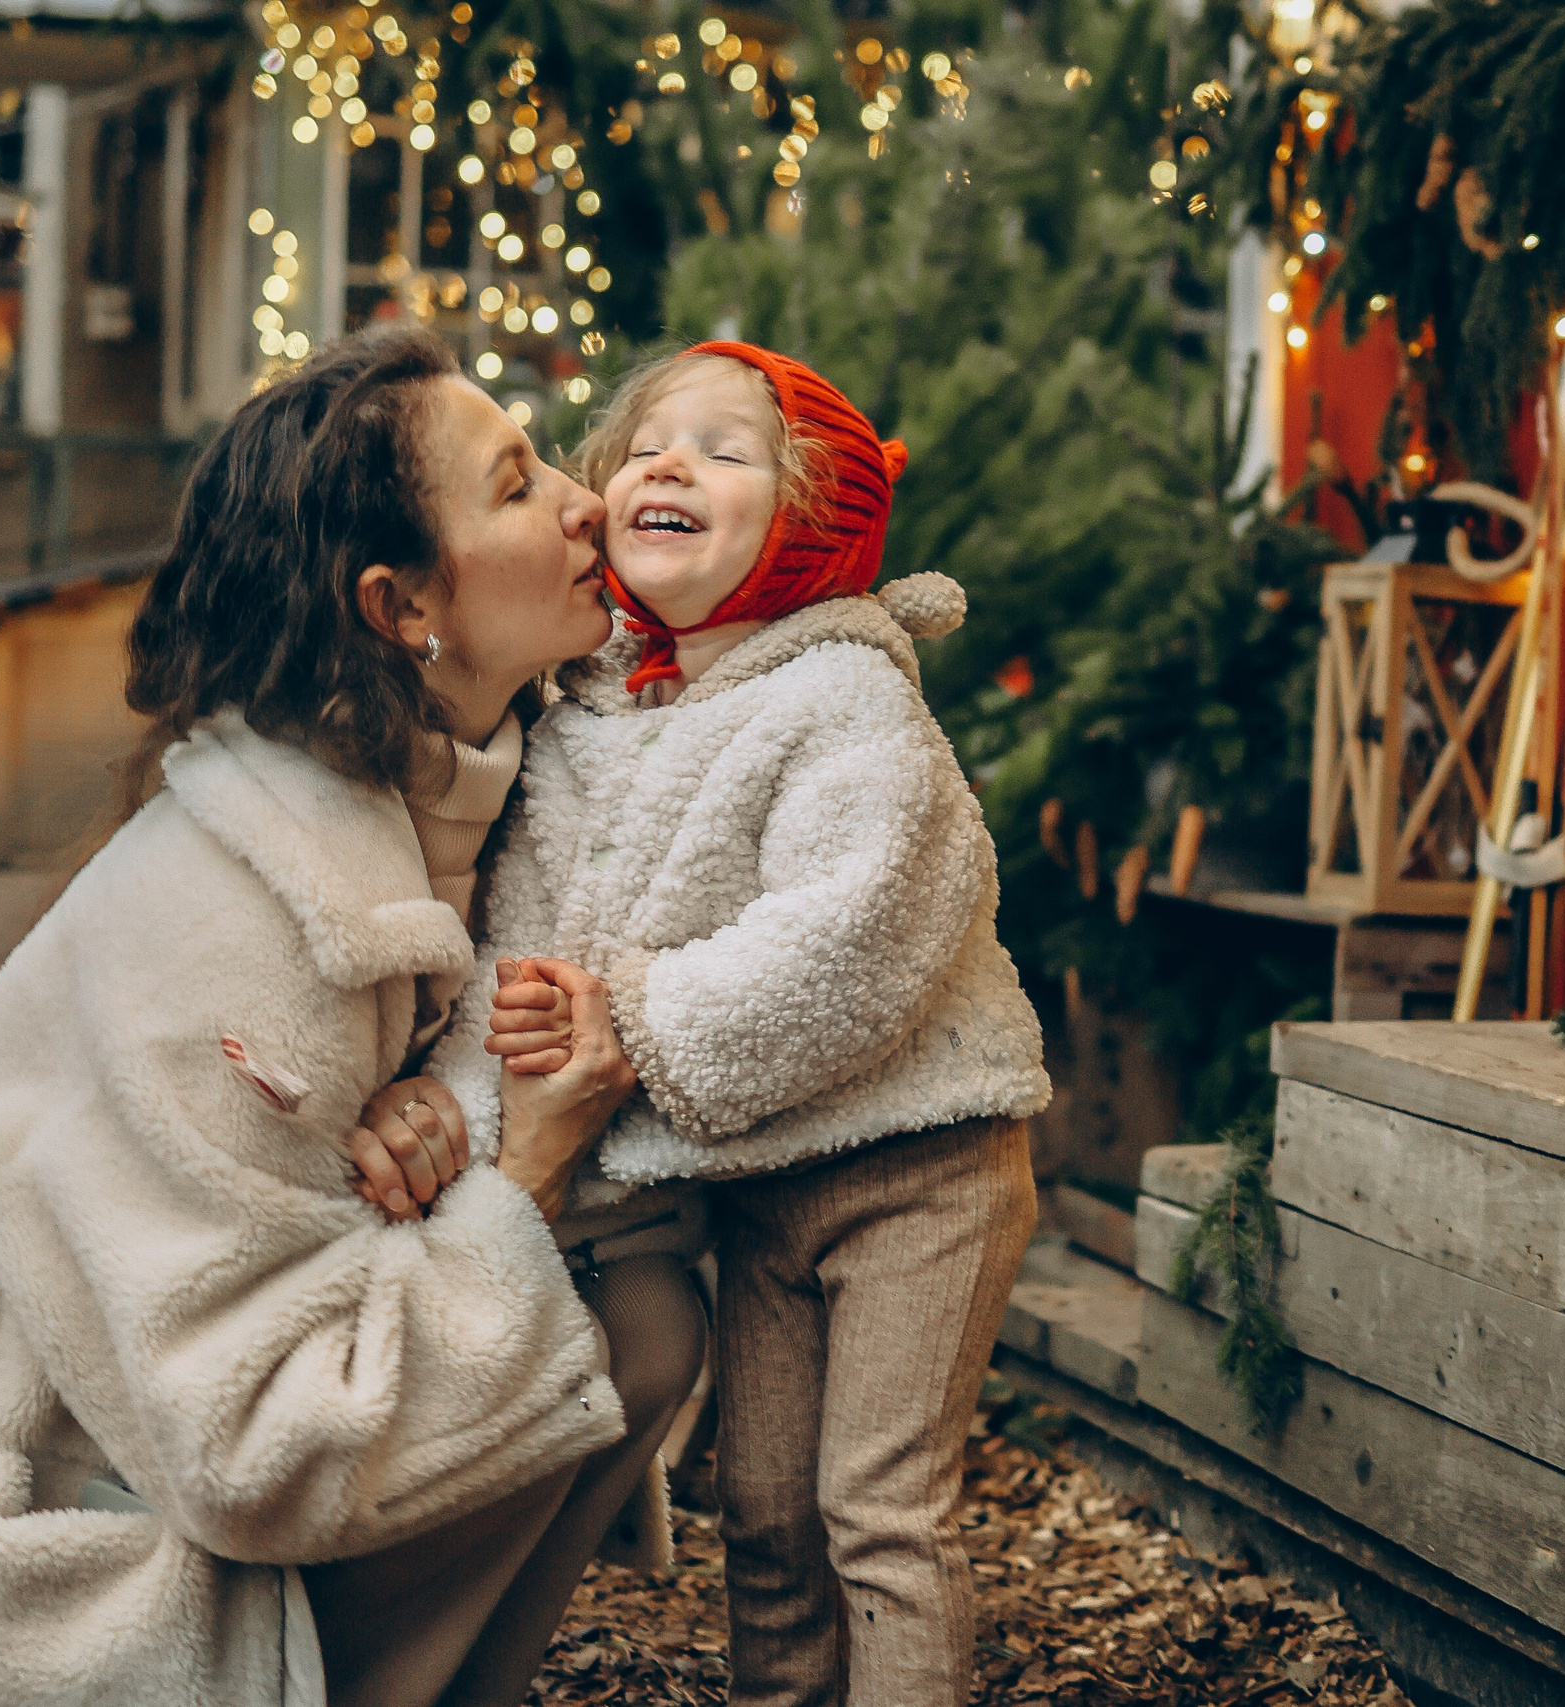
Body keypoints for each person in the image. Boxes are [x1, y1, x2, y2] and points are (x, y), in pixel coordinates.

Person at [0, 328, 702, 1707]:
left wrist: (436, 1111)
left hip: (127, 1425)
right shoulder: (247, 918)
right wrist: (519, 1165)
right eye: (517, 487)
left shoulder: (458, 794)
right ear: (402, 609)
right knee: (611, 1321)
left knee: (639, 1321)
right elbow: (244, 1451)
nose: (587, 501)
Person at [424, 342, 1052, 1707]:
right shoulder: (584, 721)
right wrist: (482, 1088)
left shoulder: (847, 695)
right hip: (763, 1180)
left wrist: (638, 1016)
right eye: (648, 442)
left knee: (877, 1512)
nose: (669, 463)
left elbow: (862, 929)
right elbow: (531, 940)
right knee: (763, 1511)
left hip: (921, 1166)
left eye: (723, 448)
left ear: (809, 514)